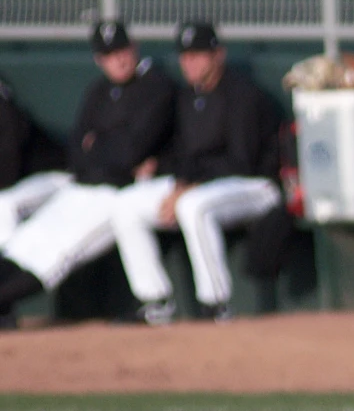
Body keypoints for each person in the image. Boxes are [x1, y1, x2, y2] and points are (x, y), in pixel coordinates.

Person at [0, 20, 175, 328]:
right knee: (25, 241)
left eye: (121, 50)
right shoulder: (97, 91)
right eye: (109, 54)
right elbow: (78, 151)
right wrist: (109, 148)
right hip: (81, 187)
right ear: (99, 60)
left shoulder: (156, 87)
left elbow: (132, 149)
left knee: (54, 255)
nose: (118, 59)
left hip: (118, 192)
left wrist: (100, 146)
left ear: (133, 48)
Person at [111, 20, 283, 324]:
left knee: (194, 207)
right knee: (125, 205)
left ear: (218, 55)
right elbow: (182, 156)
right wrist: (178, 183)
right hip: (206, 185)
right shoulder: (188, 97)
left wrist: (188, 188)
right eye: (184, 55)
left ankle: (215, 305)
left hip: (255, 187)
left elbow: (241, 162)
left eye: (198, 54)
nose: (189, 62)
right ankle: (156, 301)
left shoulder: (243, 96)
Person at [0, 70, 69, 241]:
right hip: (22, 181)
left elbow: (9, 171)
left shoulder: (7, 113)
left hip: (54, 175)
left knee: (5, 207)